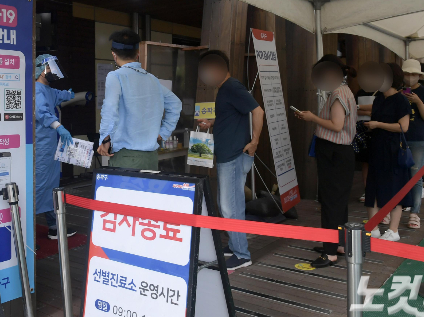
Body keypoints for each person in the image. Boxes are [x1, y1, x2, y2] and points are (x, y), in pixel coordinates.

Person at [197, 50, 264, 270]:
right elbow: (230, 116)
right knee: (227, 204)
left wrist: (254, 142)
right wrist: (212, 123)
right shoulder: (225, 89)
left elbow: (258, 111)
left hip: (234, 155)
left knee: (230, 206)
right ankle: (235, 246)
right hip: (227, 154)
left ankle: (242, 254)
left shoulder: (233, 87)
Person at [294, 54, 356, 268]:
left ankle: (330, 253)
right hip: (340, 152)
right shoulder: (343, 91)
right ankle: (338, 245)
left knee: (330, 202)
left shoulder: (338, 93)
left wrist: (312, 118)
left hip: (334, 151)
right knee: (338, 202)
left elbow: (336, 125)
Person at [97, 29, 181, 169]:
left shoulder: (116, 76)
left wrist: (105, 139)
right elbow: (175, 103)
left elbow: (110, 109)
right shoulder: (152, 79)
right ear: (138, 53)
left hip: (126, 156)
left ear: (114, 54)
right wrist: (164, 132)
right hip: (151, 157)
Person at [364, 63, 412, 241]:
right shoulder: (378, 98)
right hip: (376, 147)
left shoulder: (401, 100)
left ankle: (393, 230)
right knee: (372, 186)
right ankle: (373, 227)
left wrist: (378, 124)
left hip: (392, 149)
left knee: (394, 187)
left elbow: (403, 127)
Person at [35, 54, 77, 239]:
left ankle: (54, 227)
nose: (53, 70)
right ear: (41, 69)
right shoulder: (36, 90)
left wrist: (70, 94)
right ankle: (28, 231)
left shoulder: (48, 90)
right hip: (42, 148)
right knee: (40, 186)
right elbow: (42, 112)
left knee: (52, 186)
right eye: (50, 67)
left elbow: (60, 95)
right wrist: (58, 126)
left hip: (50, 148)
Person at [401, 60, 424, 229]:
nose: (410, 77)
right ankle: (393, 209)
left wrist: (418, 101)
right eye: (407, 74)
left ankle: (414, 213)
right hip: (398, 137)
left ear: (419, 76)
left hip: (419, 139)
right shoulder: (397, 92)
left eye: (413, 74)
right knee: (396, 174)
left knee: (415, 176)